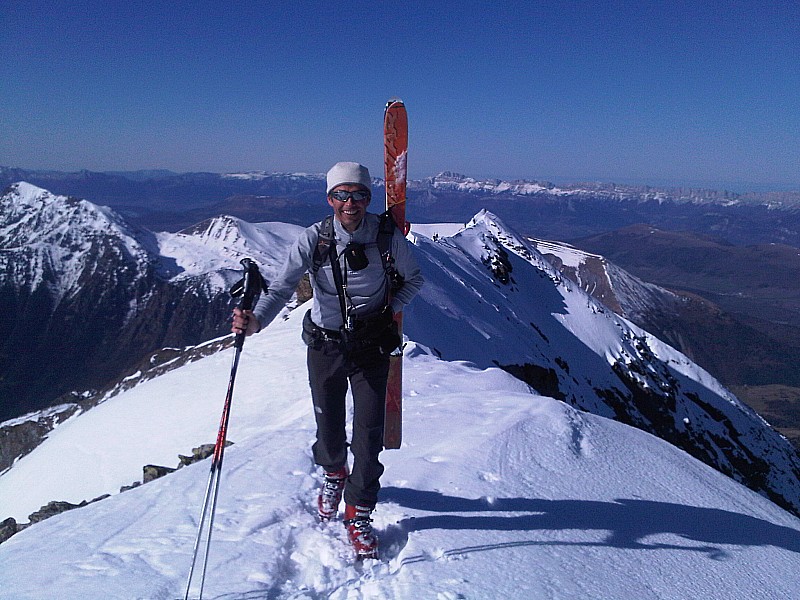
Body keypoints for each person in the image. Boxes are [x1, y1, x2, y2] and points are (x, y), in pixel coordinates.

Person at [231, 161, 424, 559]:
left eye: (358, 195)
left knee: (369, 433)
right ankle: (334, 473)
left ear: (369, 198)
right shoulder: (313, 239)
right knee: (329, 427)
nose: (350, 203)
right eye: (341, 195)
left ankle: (359, 511)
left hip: (370, 347)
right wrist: (256, 322)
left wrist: (390, 311)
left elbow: (414, 279)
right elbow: (283, 286)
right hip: (325, 346)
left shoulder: (388, 237)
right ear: (329, 198)